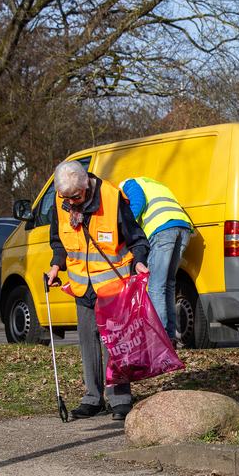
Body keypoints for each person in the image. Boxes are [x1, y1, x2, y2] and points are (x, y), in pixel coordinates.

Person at [46, 161, 150, 421]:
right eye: (66, 197)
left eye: (76, 197)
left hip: (113, 287)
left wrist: (139, 261)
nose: (71, 202)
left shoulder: (112, 199)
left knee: (114, 343)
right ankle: (92, 398)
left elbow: (136, 238)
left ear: (87, 186)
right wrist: (55, 266)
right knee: (88, 344)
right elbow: (59, 242)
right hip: (83, 287)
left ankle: (119, 398)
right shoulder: (61, 204)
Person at [120, 177, 193, 347]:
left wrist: (125, 228)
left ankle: (159, 340)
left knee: (155, 285)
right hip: (183, 228)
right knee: (168, 284)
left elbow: (138, 201)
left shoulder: (126, 184)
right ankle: (170, 337)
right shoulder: (156, 184)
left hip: (162, 230)